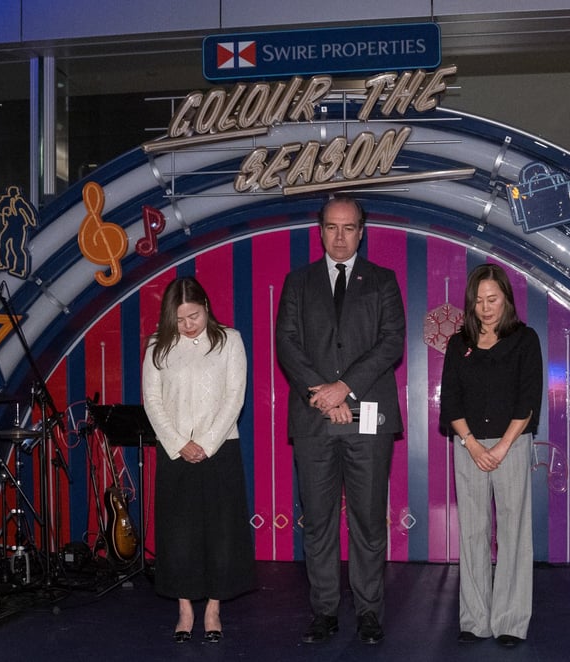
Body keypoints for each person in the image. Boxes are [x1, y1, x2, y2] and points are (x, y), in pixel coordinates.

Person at [275, 195, 406, 645]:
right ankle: (324, 612)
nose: (339, 236)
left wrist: (343, 387)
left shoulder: (383, 282)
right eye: (331, 227)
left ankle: (369, 614)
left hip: (366, 419)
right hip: (314, 419)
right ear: (320, 230)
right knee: (319, 521)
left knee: (369, 521)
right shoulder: (297, 282)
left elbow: (391, 343)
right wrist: (322, 393)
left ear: (362, 231)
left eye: (348, 228)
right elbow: (287, 345)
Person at [141, 276, 256, 643]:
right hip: (175, 453)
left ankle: (213, 608)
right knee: (179, 534)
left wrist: (206, 442)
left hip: (220, 450)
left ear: (206, 307)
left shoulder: (229, 341)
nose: (189, 324)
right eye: (181, 318)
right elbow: (152, 402)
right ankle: (185, 608)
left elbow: (234, 397)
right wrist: (179, 443)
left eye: (194, 315)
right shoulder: (158, 346)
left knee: (221, 533)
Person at [439, 263, 542, 648]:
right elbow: (450, 400)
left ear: (506, 299)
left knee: (515, 533)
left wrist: (500, 446)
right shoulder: (457, 343)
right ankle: (474, 619)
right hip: (468, 447)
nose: (485, 307)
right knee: (472, 532)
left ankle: (511, 621)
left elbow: (528, 400)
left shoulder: (525, 339)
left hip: (511, 445)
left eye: (492, 299)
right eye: (479, 300)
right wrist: (473, 444)